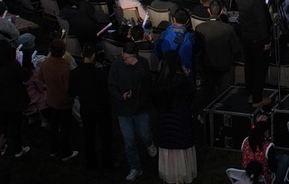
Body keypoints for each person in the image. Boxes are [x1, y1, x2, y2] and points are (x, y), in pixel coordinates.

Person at [110, 42, 155, 181]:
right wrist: (121, 96)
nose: (128, 60)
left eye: (131, 58)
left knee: (145, 134)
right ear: (122, 54)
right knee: (129, 141)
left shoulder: (142, 64)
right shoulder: (116, 65)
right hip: (124, 110)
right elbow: (112, 86)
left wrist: (137, 65)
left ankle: (149, 143)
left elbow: (148, 82)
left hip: (141, 107)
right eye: (126, 57)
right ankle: (135, 167)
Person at [152, 56, 198, 183]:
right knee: (181, 147)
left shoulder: (159, 81)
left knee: (169, 146)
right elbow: (192, 94)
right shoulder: (181, 80)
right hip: (181, 119)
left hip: (164, 121)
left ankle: (170, 174)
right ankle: (183, 174)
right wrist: (187, 76)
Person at [70, 46, 114, 172]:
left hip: (86, 109)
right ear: (94, 55)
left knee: (88, 137)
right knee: (105, 137)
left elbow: (71, 92)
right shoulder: (100, 73)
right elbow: (106, 92)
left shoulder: (74, 73)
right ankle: (107, 162)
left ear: (82, 55)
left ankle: (91, 162)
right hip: (101, 109)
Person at [235, 0, 273, 106]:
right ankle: (257, 98)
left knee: (249, 67)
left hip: (246, 38)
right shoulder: (256, 0)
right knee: (259, 69)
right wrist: (266, 41)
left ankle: (250, 94)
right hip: (258, 39)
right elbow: (261, 22)